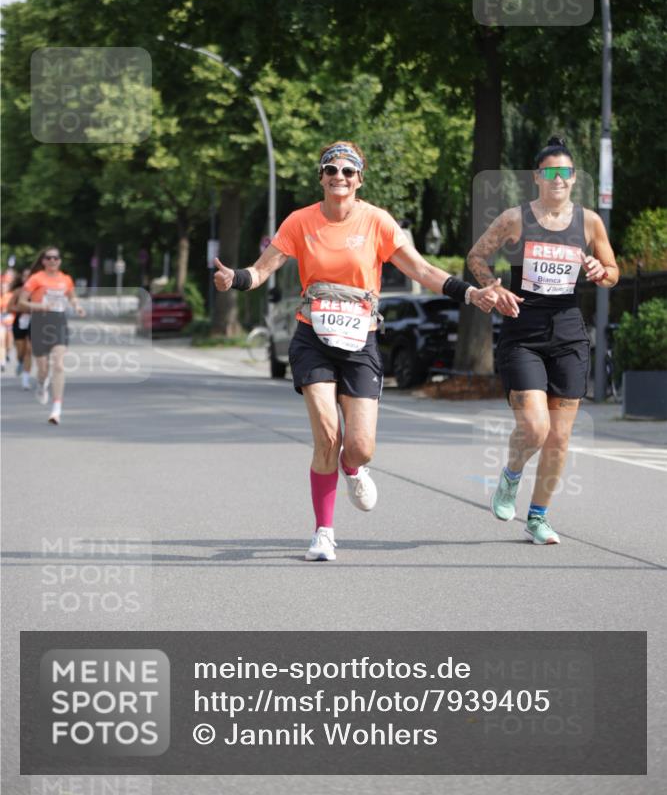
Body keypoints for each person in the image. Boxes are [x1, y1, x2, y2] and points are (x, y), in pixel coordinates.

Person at [214, 141, 501, 561]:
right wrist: (234, 279)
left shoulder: (378, 222)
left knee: (361, 446)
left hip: (360, 340)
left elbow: (421, 269)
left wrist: (470, 293)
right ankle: (323, 533)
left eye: (348, 171)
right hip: (312, 337)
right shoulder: (300, 222)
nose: (339, 177)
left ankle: (353, 467)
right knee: (328, 435)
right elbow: (262, 270)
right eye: (331, 170)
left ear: (359, 180)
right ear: (322, 178)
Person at [467, 136, 619, 544]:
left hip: (568, 334)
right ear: (537, 177)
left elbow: (612, 270)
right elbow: (476, 257)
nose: (559, 180)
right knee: (535, 428)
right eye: (551, 172)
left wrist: (600, 271)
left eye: (566, 173)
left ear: (573, 179)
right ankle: (511, 476)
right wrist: (493, 289)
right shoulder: (515, 218)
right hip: (524, 332)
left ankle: (538, 517)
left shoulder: (588, 222)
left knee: (560, 436)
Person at [18, 247, 85, 424]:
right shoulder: (36, 278)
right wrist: (39, 306)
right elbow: (22, 302)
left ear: (60, 261)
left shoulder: (66, 279)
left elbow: (72, 297)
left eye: (56, 258)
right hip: (39, 322)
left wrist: (77, 306)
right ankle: (41, 384)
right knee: (42, 369)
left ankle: (56, 409)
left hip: (59, 323)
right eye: (49, 258)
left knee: (59, 365)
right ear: (44, 261)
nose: (53, 261)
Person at [7, 269, 33, 389]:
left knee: (29, 349)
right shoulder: (18, 291)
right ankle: (20, 362)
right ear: (22, 278)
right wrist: (21, 309)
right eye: (25, 276)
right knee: (20, 351)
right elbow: (9, 307)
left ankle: (25, 380)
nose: (27, 278)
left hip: (34, 322)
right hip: (19, 322)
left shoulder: (37, 291)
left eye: (30, 276)